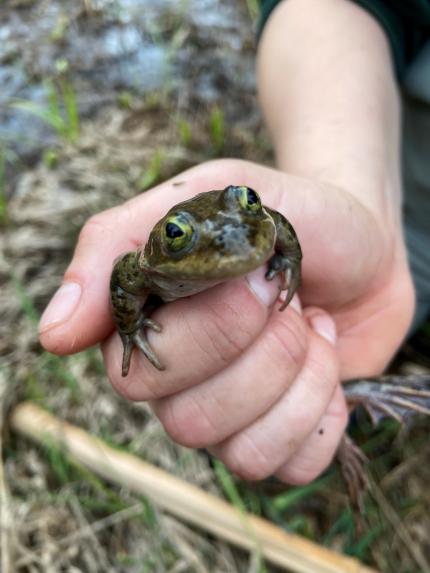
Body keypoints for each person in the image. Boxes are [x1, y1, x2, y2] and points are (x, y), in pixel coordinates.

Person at [38, 0, 430, 485]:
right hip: (396, 200)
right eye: (179, 236)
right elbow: (123, 280)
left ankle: (363, 380)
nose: (236, 239)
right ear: (163, 246)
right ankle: (350, 392)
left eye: (247, 206)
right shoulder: (144, 269)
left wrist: (290, 256)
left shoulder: (257, 227)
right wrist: (131, 326)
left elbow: (274, 222)